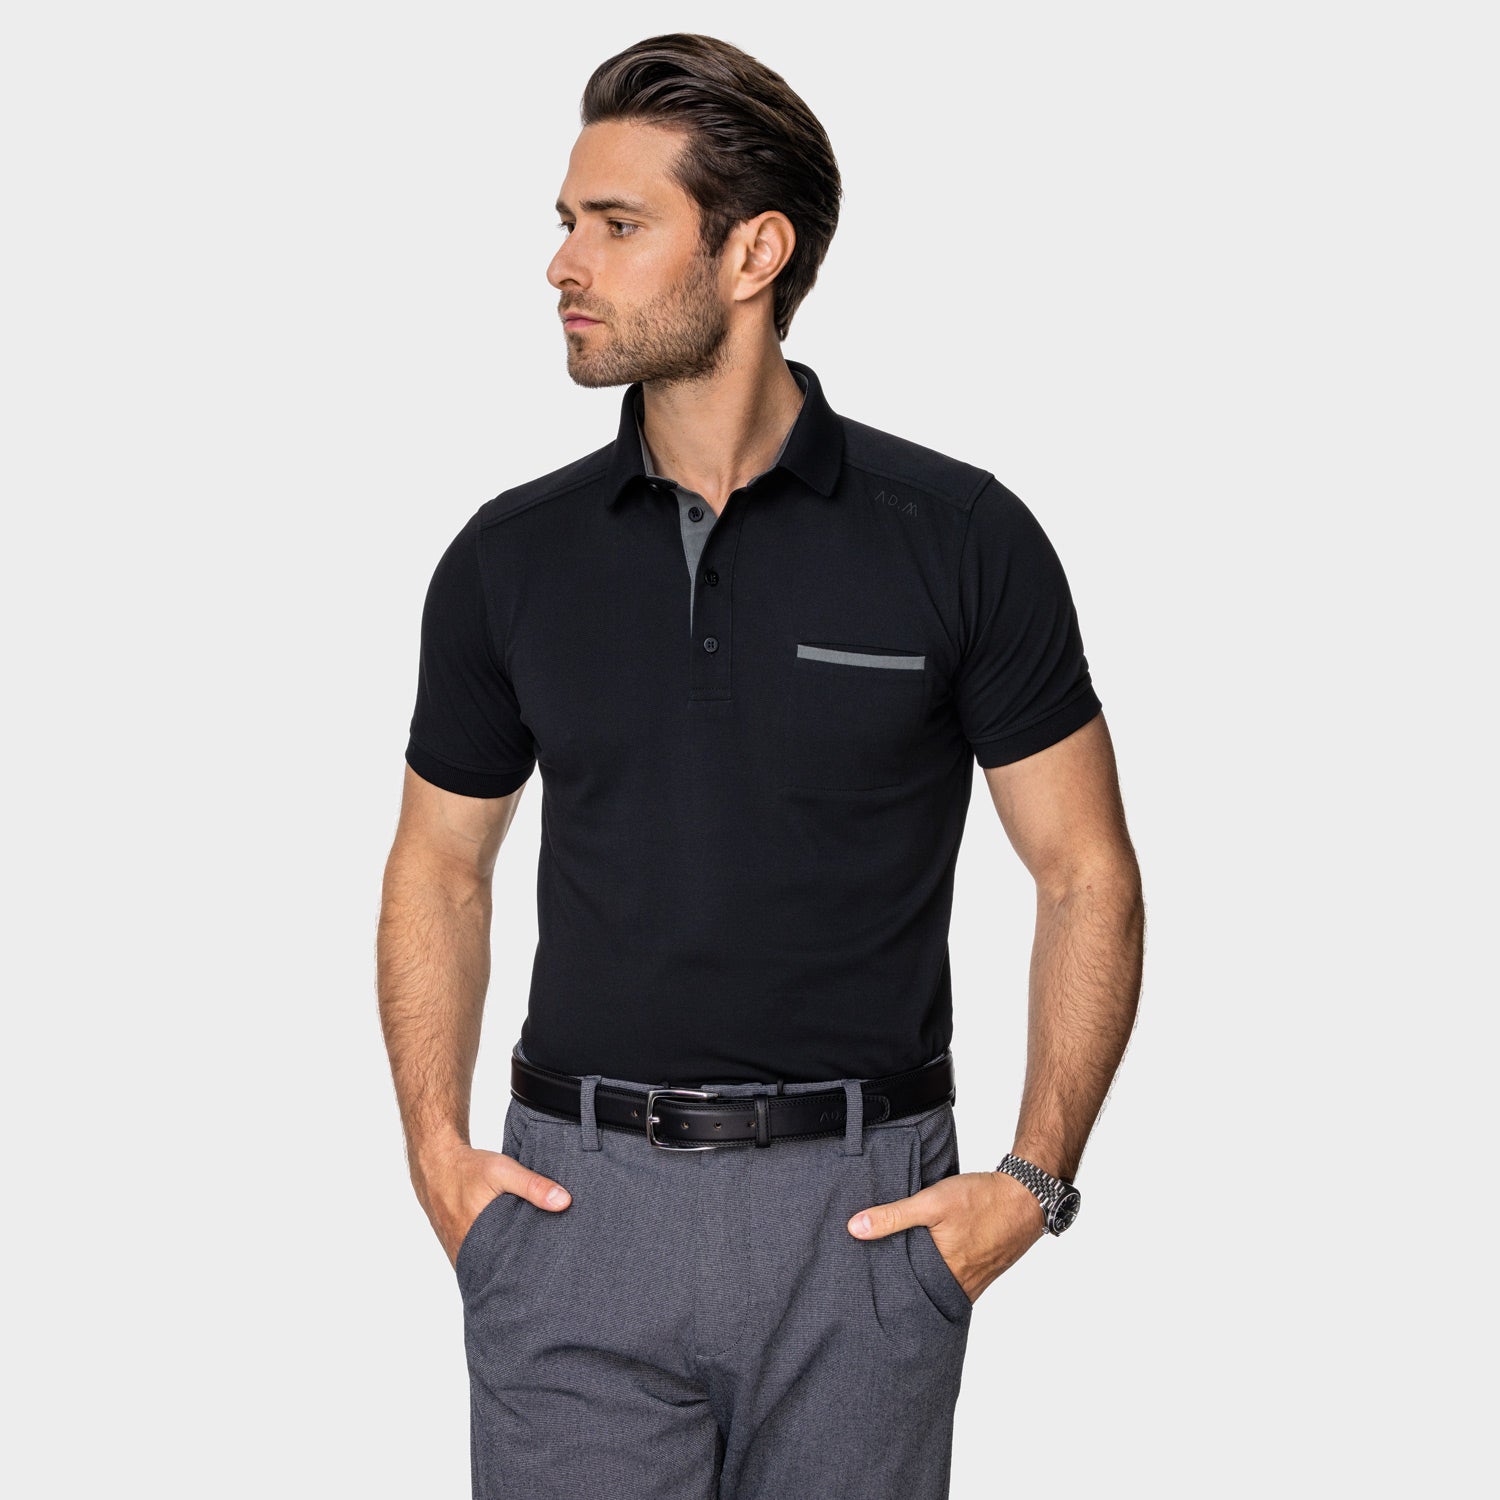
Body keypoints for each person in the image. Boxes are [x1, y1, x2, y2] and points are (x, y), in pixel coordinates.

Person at [376, 31, 1144, 1500]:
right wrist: (436, 1155)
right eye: (567, 221)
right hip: (573, 1212)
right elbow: (440, 865)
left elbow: (1084, 871)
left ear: (754, 253)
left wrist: (1032, 1183)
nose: (563, 264)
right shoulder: (508, 558)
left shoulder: (959, 539)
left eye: (617, 225)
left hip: (865, 1224)